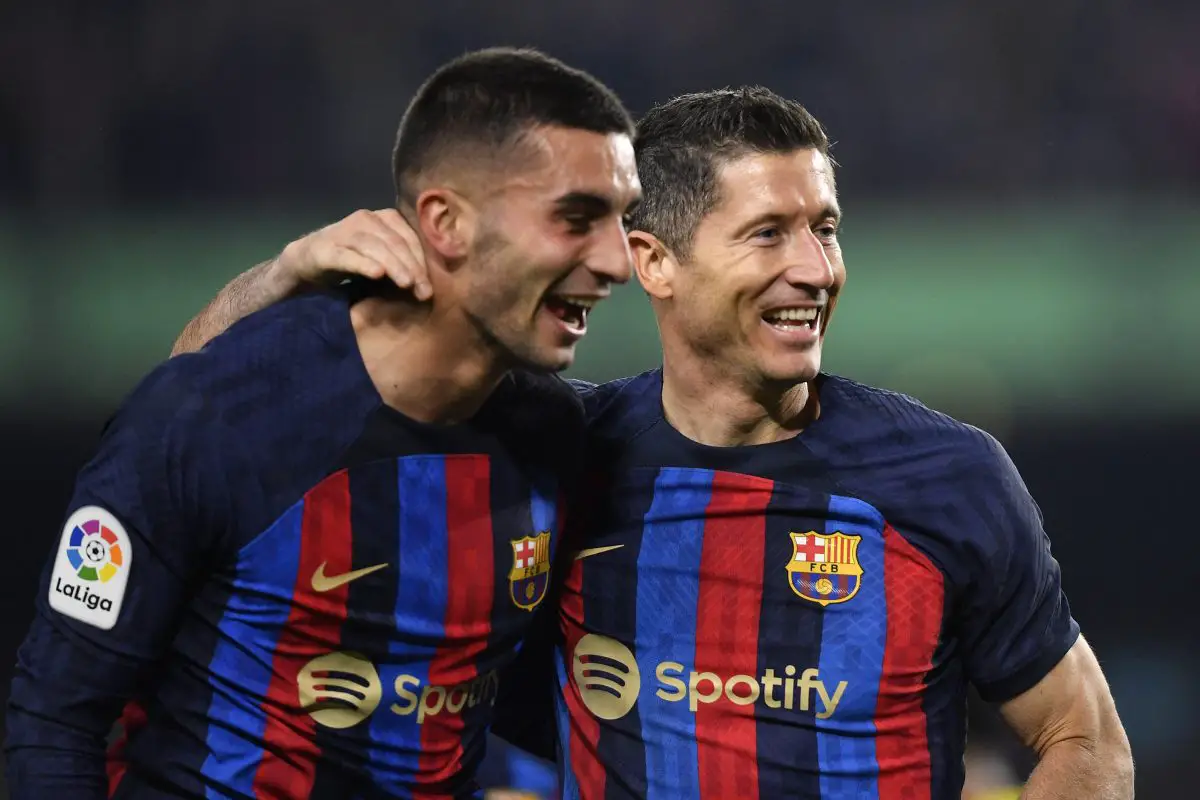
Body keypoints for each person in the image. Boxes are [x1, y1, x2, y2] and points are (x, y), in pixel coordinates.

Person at [168, 87, 1134, 799]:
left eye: (826, 228)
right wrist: (293, 274)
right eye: (768, 234)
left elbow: (1084, 743)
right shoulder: (558, 453)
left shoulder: (949, 476)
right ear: (653, 261)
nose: (815, 268)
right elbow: (191, 415)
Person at [5, 46, 640, 800]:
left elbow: (526, 705)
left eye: (623, 220)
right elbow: (53, 725)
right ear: (445, 221)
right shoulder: (220, 419)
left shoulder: (557, 436)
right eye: (577, 218)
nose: (618, 262)